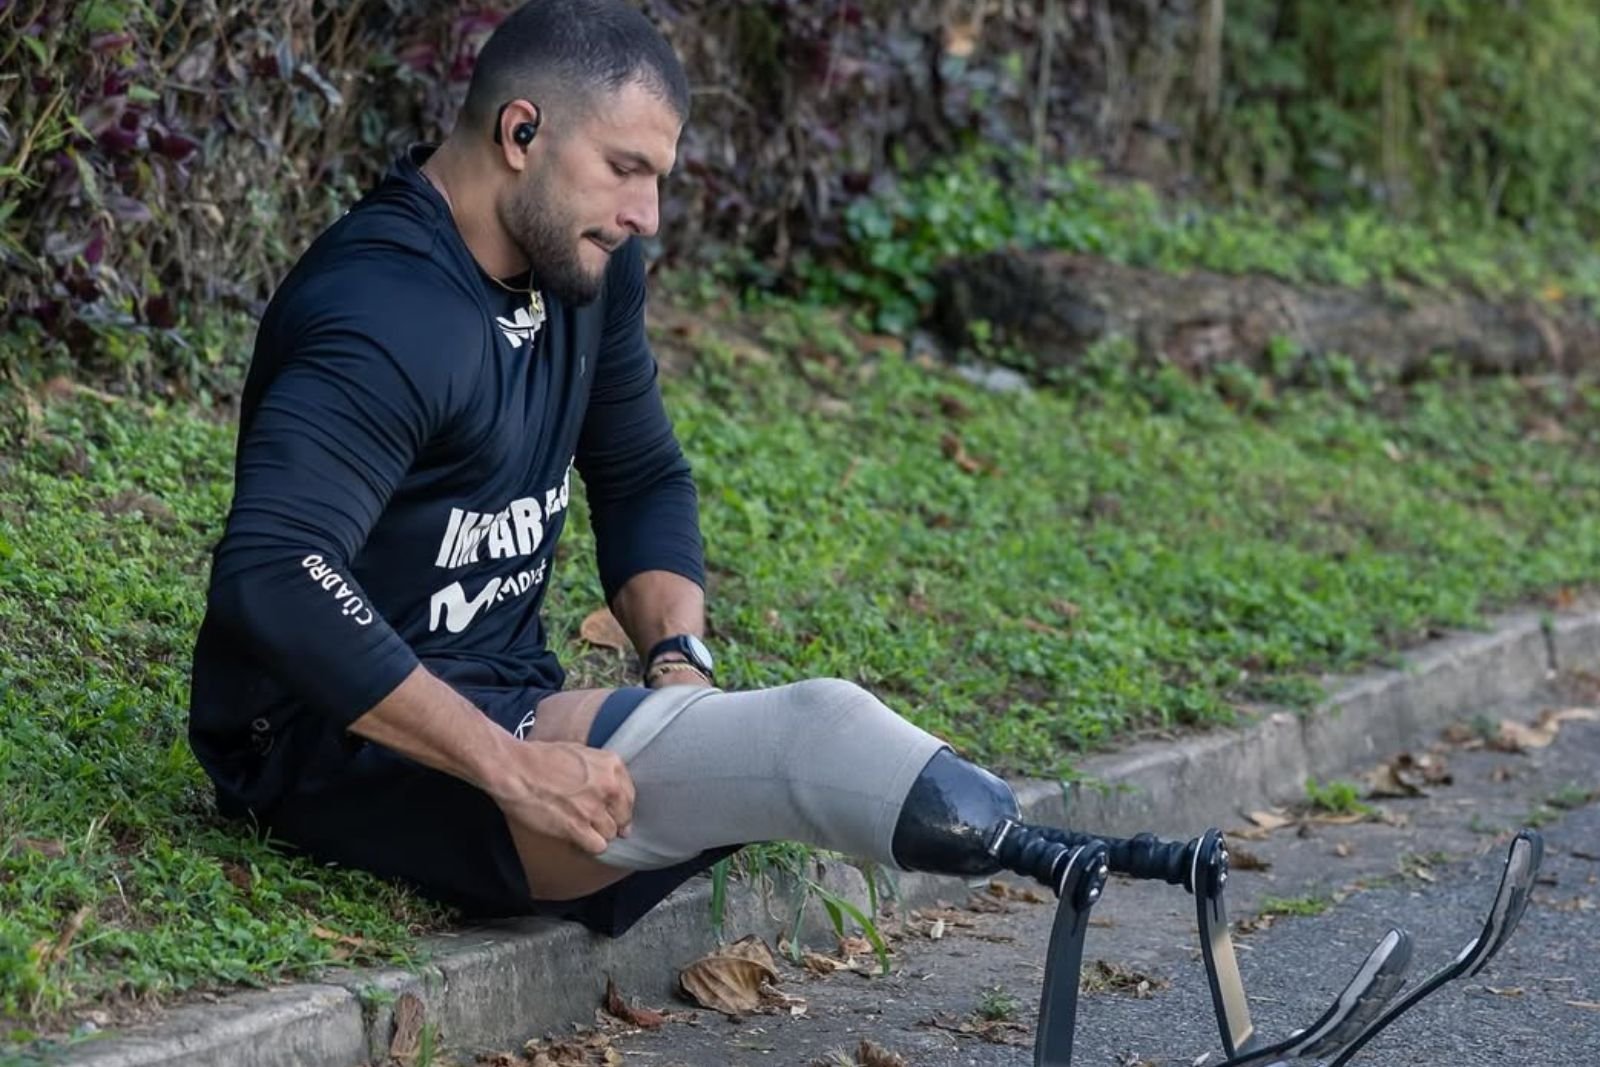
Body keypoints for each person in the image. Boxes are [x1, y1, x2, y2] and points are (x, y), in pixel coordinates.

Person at [188, 0, 1061, 938]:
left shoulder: (584, 267)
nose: (645, 213)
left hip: (510, 693)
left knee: (728, 751)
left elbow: (641, 474)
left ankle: (1072, 858)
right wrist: (508, 766)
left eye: (658, 177)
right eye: (624, 169)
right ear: (521, 131)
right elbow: (278, 570)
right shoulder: (384, 310)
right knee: (809, 740)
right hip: (327, 737)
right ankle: (1067, 855)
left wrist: (679, 661)